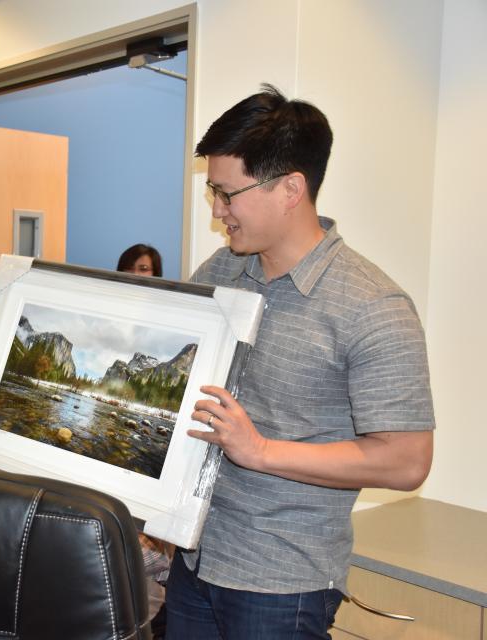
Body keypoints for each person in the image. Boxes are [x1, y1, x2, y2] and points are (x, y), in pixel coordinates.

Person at [162, 85, 435, 639]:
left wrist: (260, 451)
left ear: (290, 188)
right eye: (213, 191)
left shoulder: (372, 306)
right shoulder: (220, 272)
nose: (217, 211)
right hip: (194, 560)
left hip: (282, 583)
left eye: (227, 193)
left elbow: (407, 462)